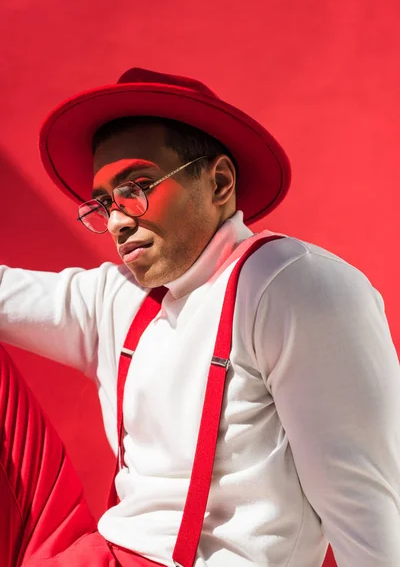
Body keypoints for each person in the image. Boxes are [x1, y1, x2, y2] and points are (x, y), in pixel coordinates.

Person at [0, 67, 399, 567]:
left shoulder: (291, 284)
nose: (119, 221)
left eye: (138, 186)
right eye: (104, 204)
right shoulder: (113, 294)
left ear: (220, 183)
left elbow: (363, 499)